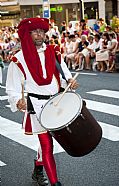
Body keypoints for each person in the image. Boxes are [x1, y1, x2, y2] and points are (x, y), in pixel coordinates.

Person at [6, 17, 78, 186]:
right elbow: (12, 88)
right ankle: (55, 183)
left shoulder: (54, 52)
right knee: (46, 143)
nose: (39, 35)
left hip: (56, 103)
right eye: (35, 32)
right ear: (27, 35)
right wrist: (17, 101)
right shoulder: (18, 59)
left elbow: (64, 73)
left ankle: (38, 169)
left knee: (52, 141)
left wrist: (70, 81)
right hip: (36, 106)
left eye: (41, 31)